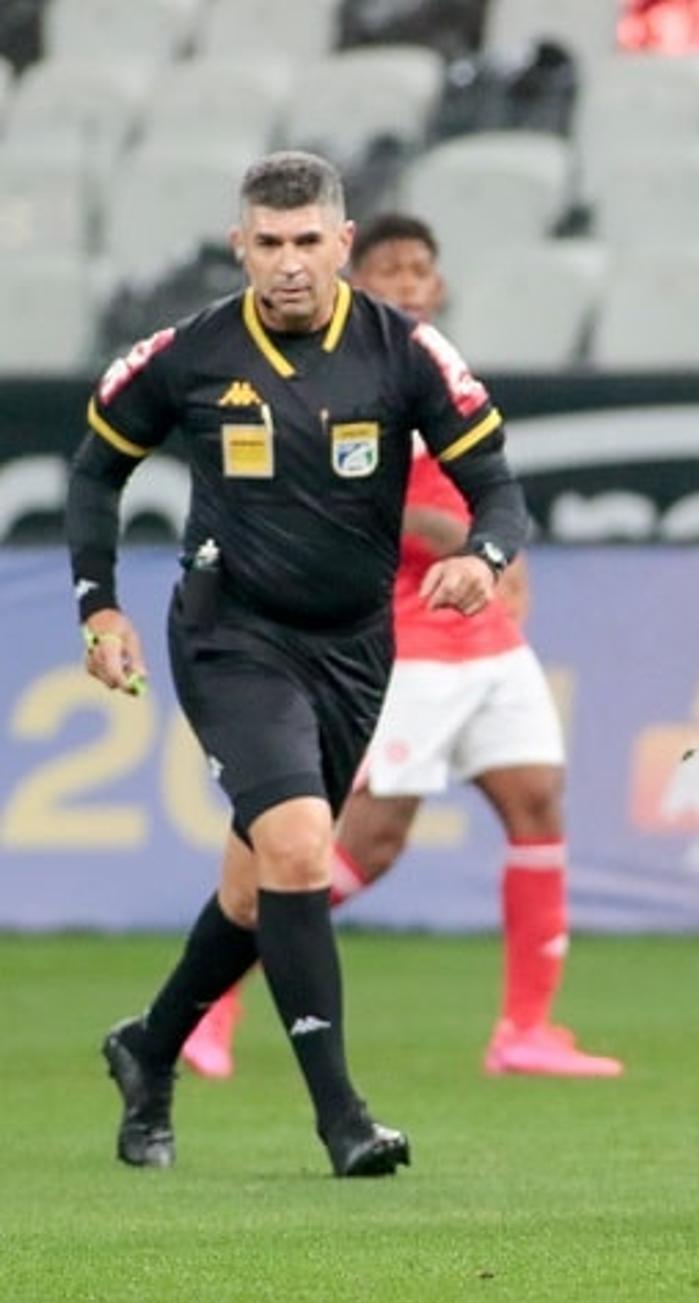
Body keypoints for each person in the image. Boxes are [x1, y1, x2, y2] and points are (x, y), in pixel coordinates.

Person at [69, 152, 529, 1177]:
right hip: (233, 635)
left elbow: (497, 484)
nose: (287, 265)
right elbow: (98, 468)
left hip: (357, 648)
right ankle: (344, 1123)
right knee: (302, 849)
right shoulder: (188, 354)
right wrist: (98, 605)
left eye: (307, 243)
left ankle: (148, 1048)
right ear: (241, 245)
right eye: (268, 244)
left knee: (254, 892)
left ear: (343, 245)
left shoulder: (403, 351)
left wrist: (483, 557)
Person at [179, 214, 621, 1082]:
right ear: (353, 278)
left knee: (537, 800)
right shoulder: (336, 381)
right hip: (410, 640)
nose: (411, 285)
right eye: (392, 270)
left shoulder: (436, 374)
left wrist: (501, 553)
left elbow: (486, 481)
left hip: (487, 639)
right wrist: (461, 537)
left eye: (423, 269)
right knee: (369, 843)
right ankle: (210, 1005)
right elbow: (362, 510)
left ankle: (525, 1030)